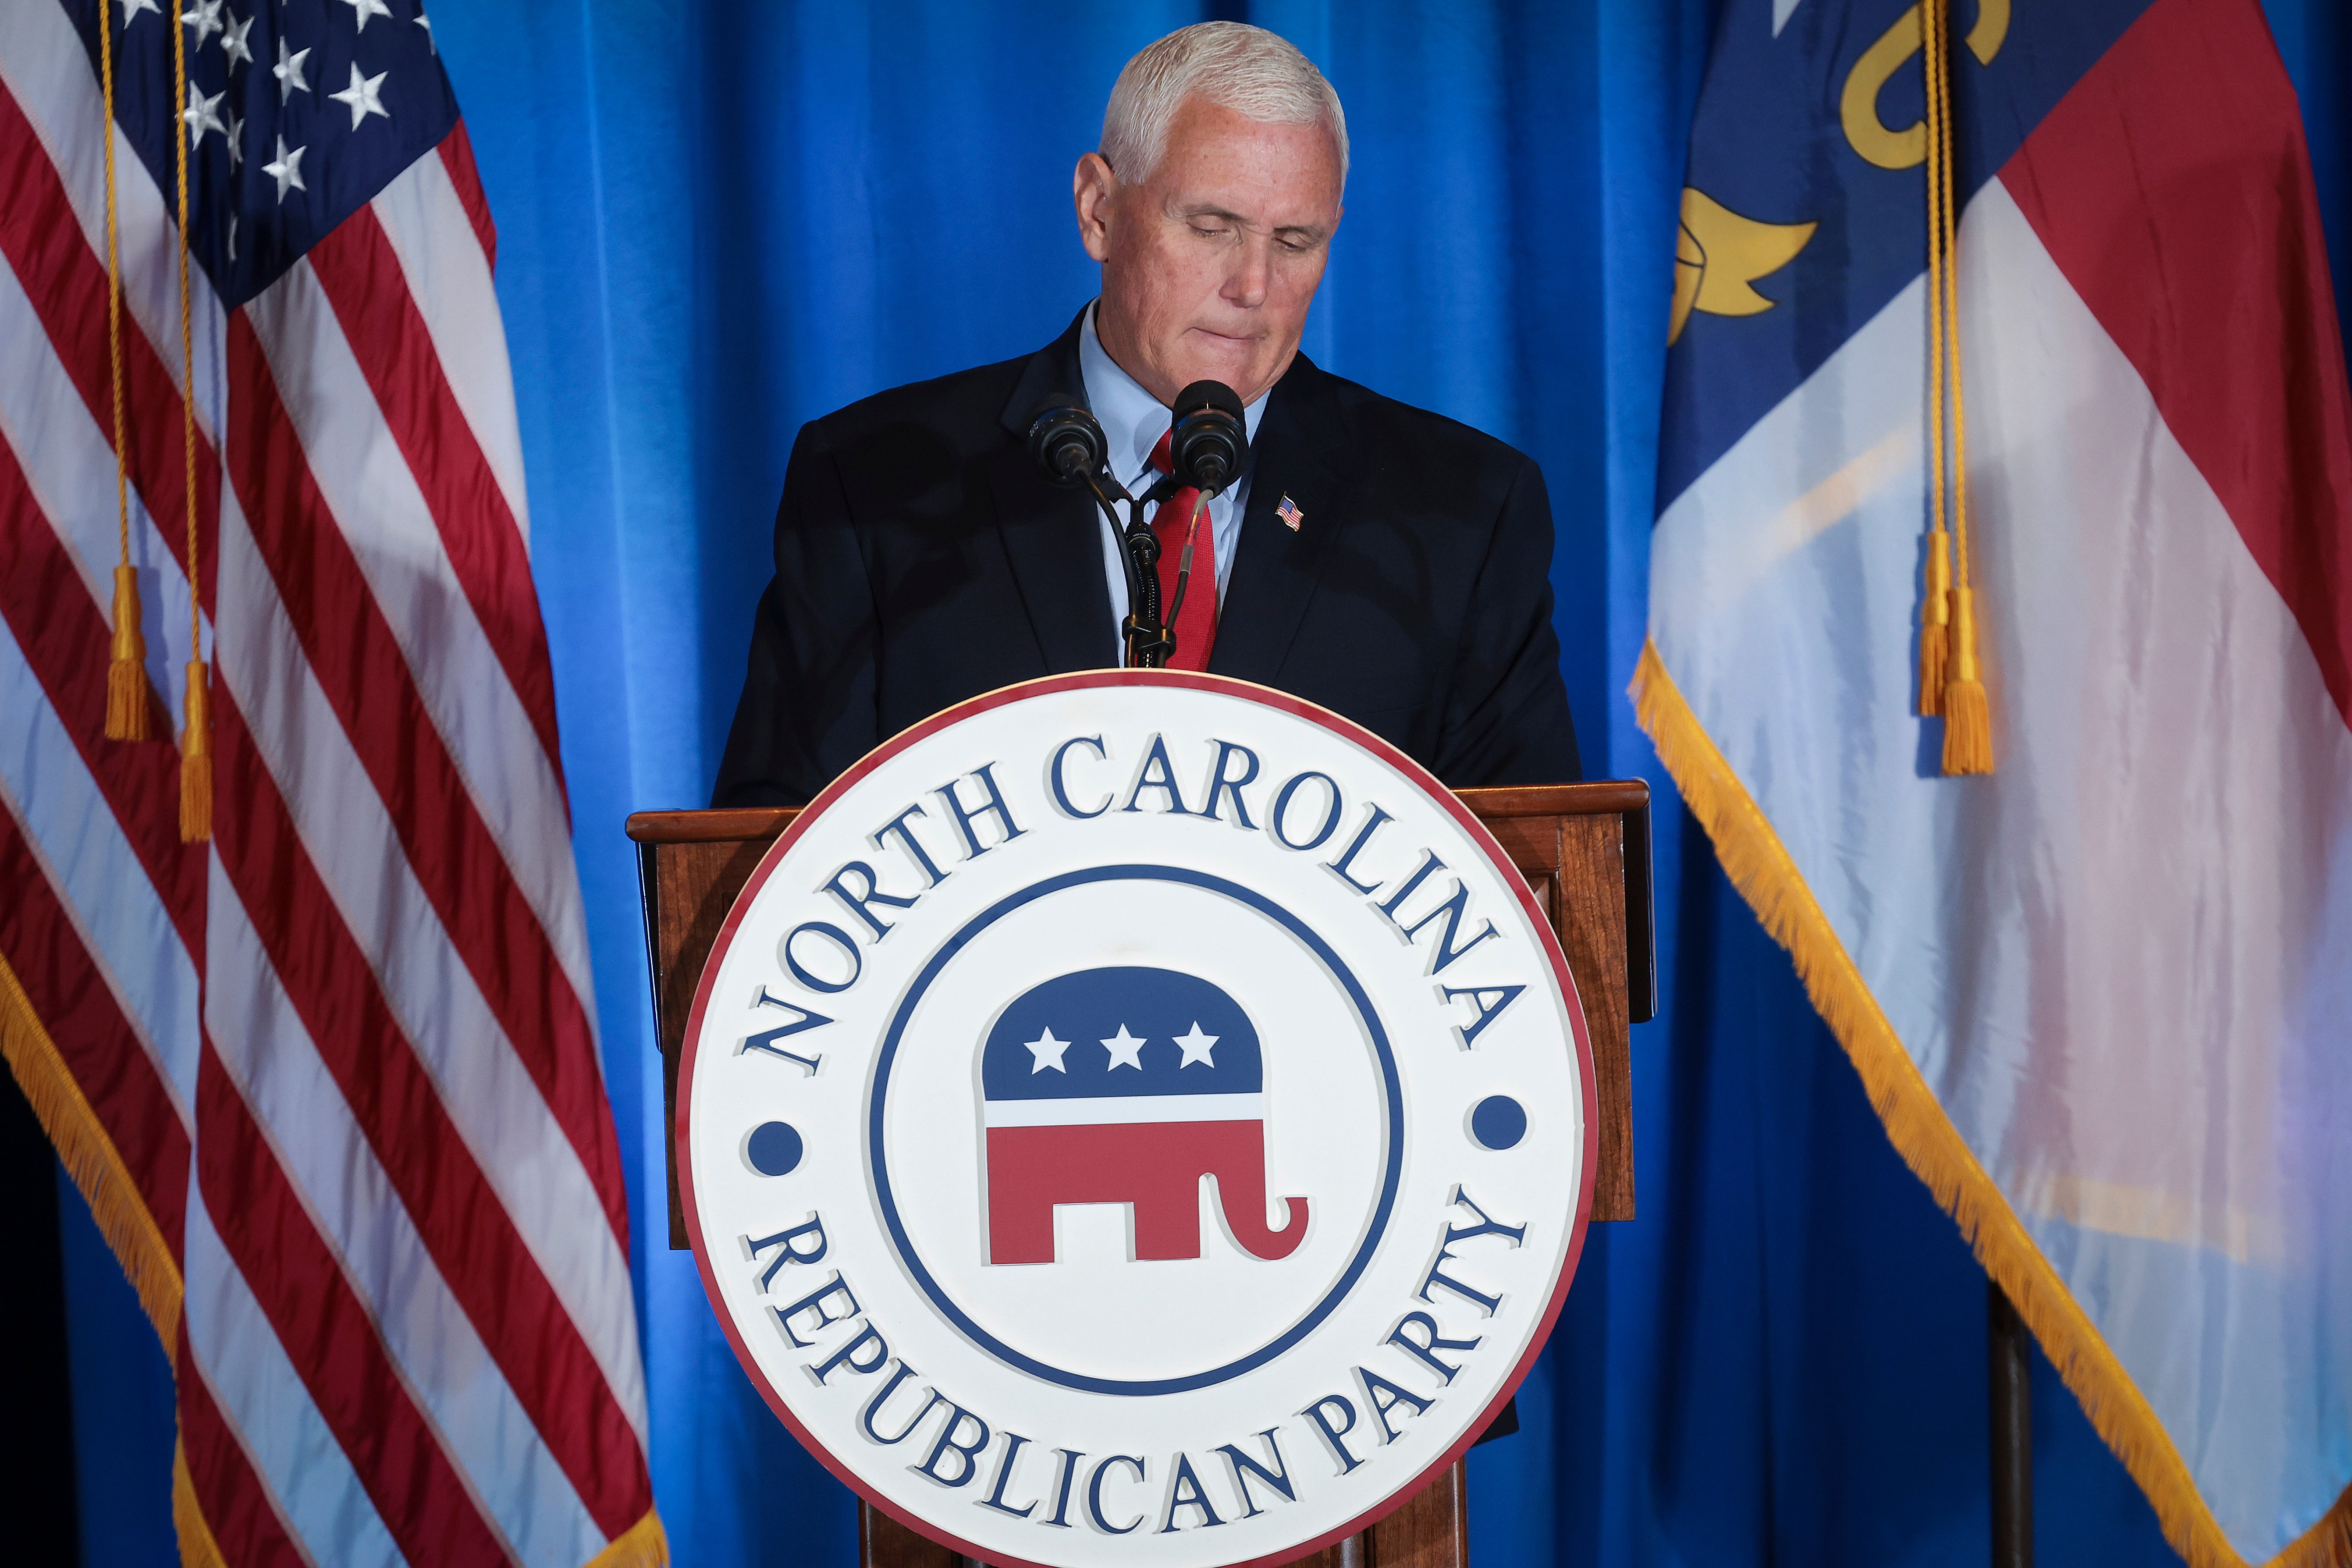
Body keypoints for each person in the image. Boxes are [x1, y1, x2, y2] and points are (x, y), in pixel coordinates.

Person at [714, 21, 1579, 810]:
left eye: (1294, 241)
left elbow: (1532, 887)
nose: (1252, 287)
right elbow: (770, 859)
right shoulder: (877, 488)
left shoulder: (1459, 516)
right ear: (1098, 209)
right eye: (1211, 225)